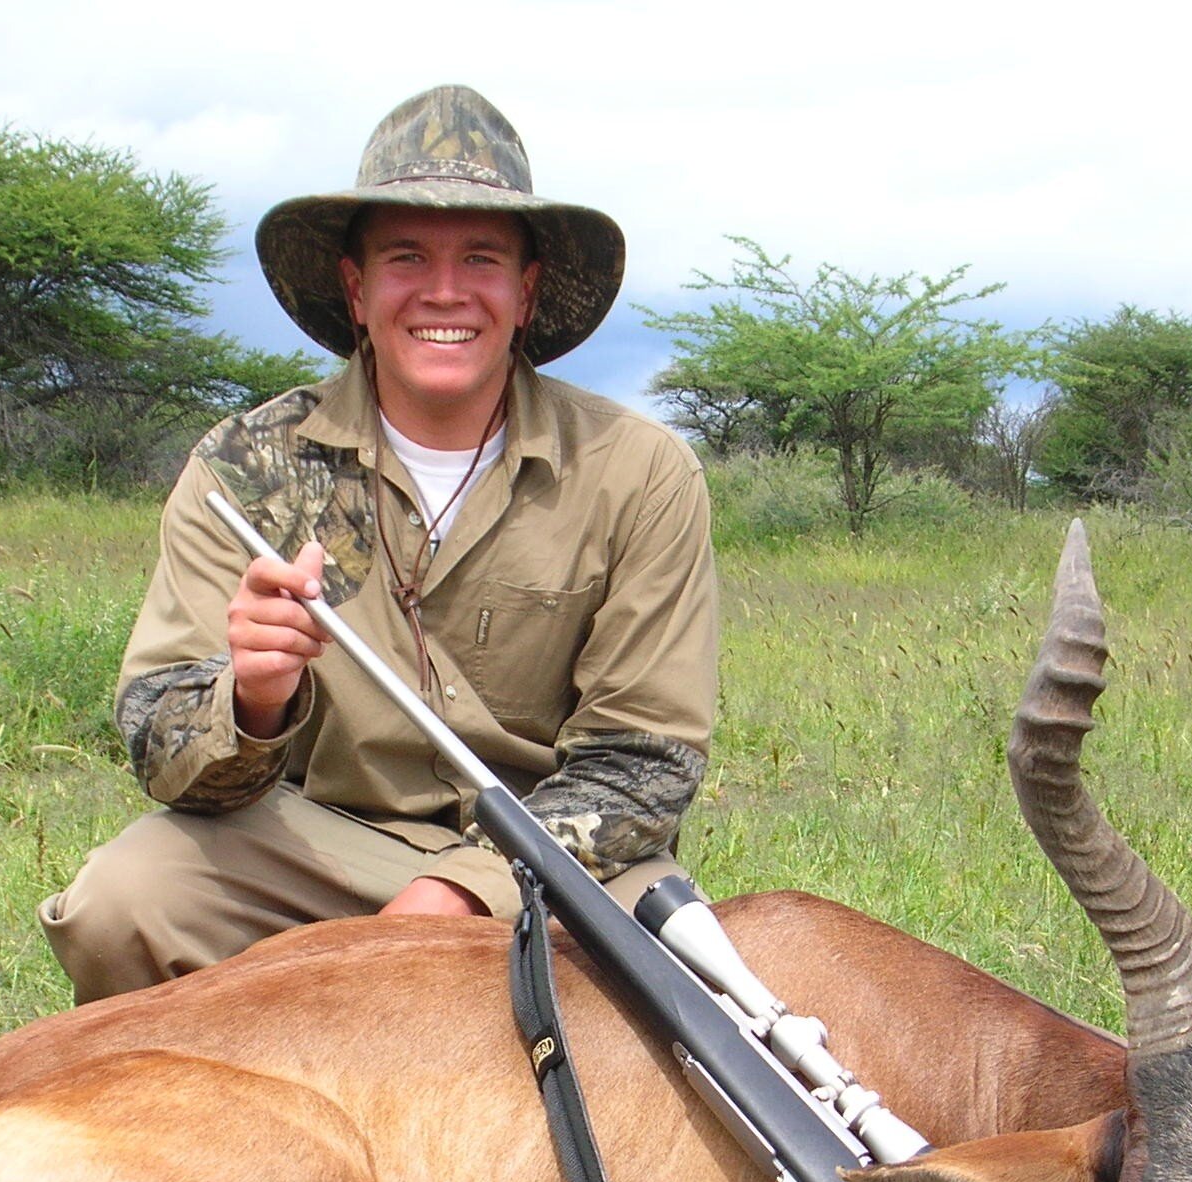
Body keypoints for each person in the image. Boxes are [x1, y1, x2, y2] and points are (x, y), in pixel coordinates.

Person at [40, 86, 718, 1003]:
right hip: (316, 844)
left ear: (525, 292)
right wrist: (254, 697)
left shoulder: (639, 470)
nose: (444, 292)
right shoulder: (245, 467)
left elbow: (642, 769)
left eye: (480, 258)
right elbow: (165, 756)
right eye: (407, 258)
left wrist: (456, 894)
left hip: (561, 866)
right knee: (122, 900)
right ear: (358, 290)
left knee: (698, 1007)